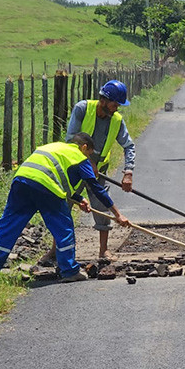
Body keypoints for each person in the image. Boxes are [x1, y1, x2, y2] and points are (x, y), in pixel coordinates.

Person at [0, 134, 129, 282]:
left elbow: (57, 176)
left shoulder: (52, 147)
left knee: (7, 227)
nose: (89, 159)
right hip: (46, 188)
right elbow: (96, 188)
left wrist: (79, 199)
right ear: (84, 147)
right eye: (89, 154)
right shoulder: (79, 157)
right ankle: (69, 270)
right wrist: (118, 214)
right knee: (63, 228)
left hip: (21, 181)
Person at [41, 80, 135, 261]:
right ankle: (54, 251)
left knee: (101, 206)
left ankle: (103, 251)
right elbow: (71, 138)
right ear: (104, 100)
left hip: (99, 172)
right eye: (115, 104)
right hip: (74, 169)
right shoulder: (82, 109)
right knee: (63, 207)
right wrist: (87, 161)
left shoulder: (116, 120)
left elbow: (128, 145)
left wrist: (128, 171)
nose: (117, 108)